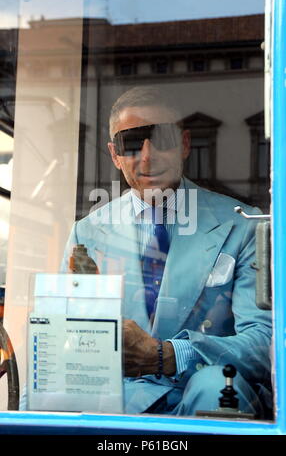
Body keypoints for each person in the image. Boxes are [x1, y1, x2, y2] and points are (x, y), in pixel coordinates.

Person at [62, 86, 272, 417]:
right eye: (131, 143)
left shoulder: (243, 225)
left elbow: (265, 345)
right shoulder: (86, 233)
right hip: (118, 401)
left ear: (184, 144)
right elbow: (68, 336)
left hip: (203, 395)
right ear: (114, 154)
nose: (147, 156)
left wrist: (171, 354)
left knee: (217, 386)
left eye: (161, 138)